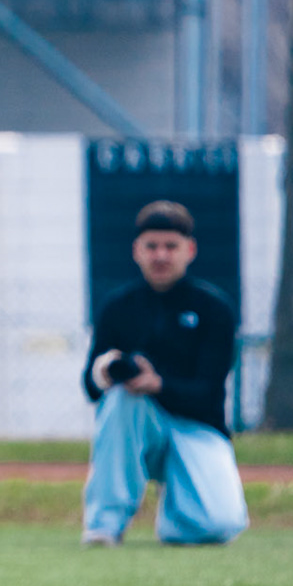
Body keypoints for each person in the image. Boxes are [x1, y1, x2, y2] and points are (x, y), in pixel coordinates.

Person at [80, 200, 247, 547]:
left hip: (196, 427)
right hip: (139, 426)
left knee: (218, 525)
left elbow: (208, 392)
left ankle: (178, 515)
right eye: (151, 246)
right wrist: (108, 370)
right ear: (136, 251)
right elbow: (91, 387)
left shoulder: (215, 308)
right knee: (122, 399)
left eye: (170, 246)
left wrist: (159, 384)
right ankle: (104, 525)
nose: (161, 256)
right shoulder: (117, 306)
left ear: (190, 250)